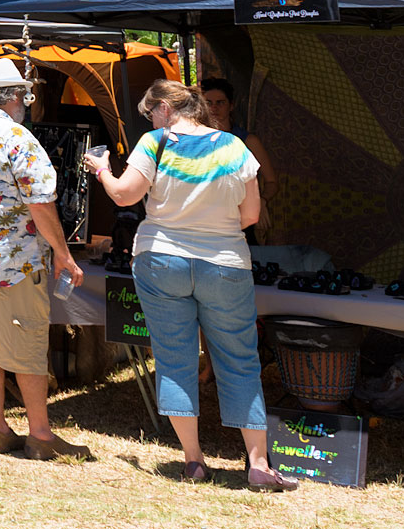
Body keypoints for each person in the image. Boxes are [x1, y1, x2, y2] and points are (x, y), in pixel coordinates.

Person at [87, 80, 295, 489]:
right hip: (225, 263)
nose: (150, 119)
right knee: (239, 358)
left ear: (165, 108)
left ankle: (194, 461)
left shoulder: (155, 142)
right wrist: (210, 229)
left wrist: (103, 172)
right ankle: (257, 464)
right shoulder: (234, 147)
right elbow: (251, 214)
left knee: (175, 356)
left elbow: (126, 197)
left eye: (151, 113)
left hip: (161, 259)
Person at [0, 57, 89, 463]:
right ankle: (40, 434)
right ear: (13, 97)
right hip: (14, 262)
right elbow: (41, 203)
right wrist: (64, 255)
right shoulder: (17, 137)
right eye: (24, 93)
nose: (27, 100)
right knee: (26, 346)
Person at [198, 77, 279, 240]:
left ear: (231, 105)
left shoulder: (248, 141)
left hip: (239, 223)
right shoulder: (194, 141)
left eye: (220, 102)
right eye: (208, 103)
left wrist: (262, 200)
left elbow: (272, 182)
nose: (214, 108)